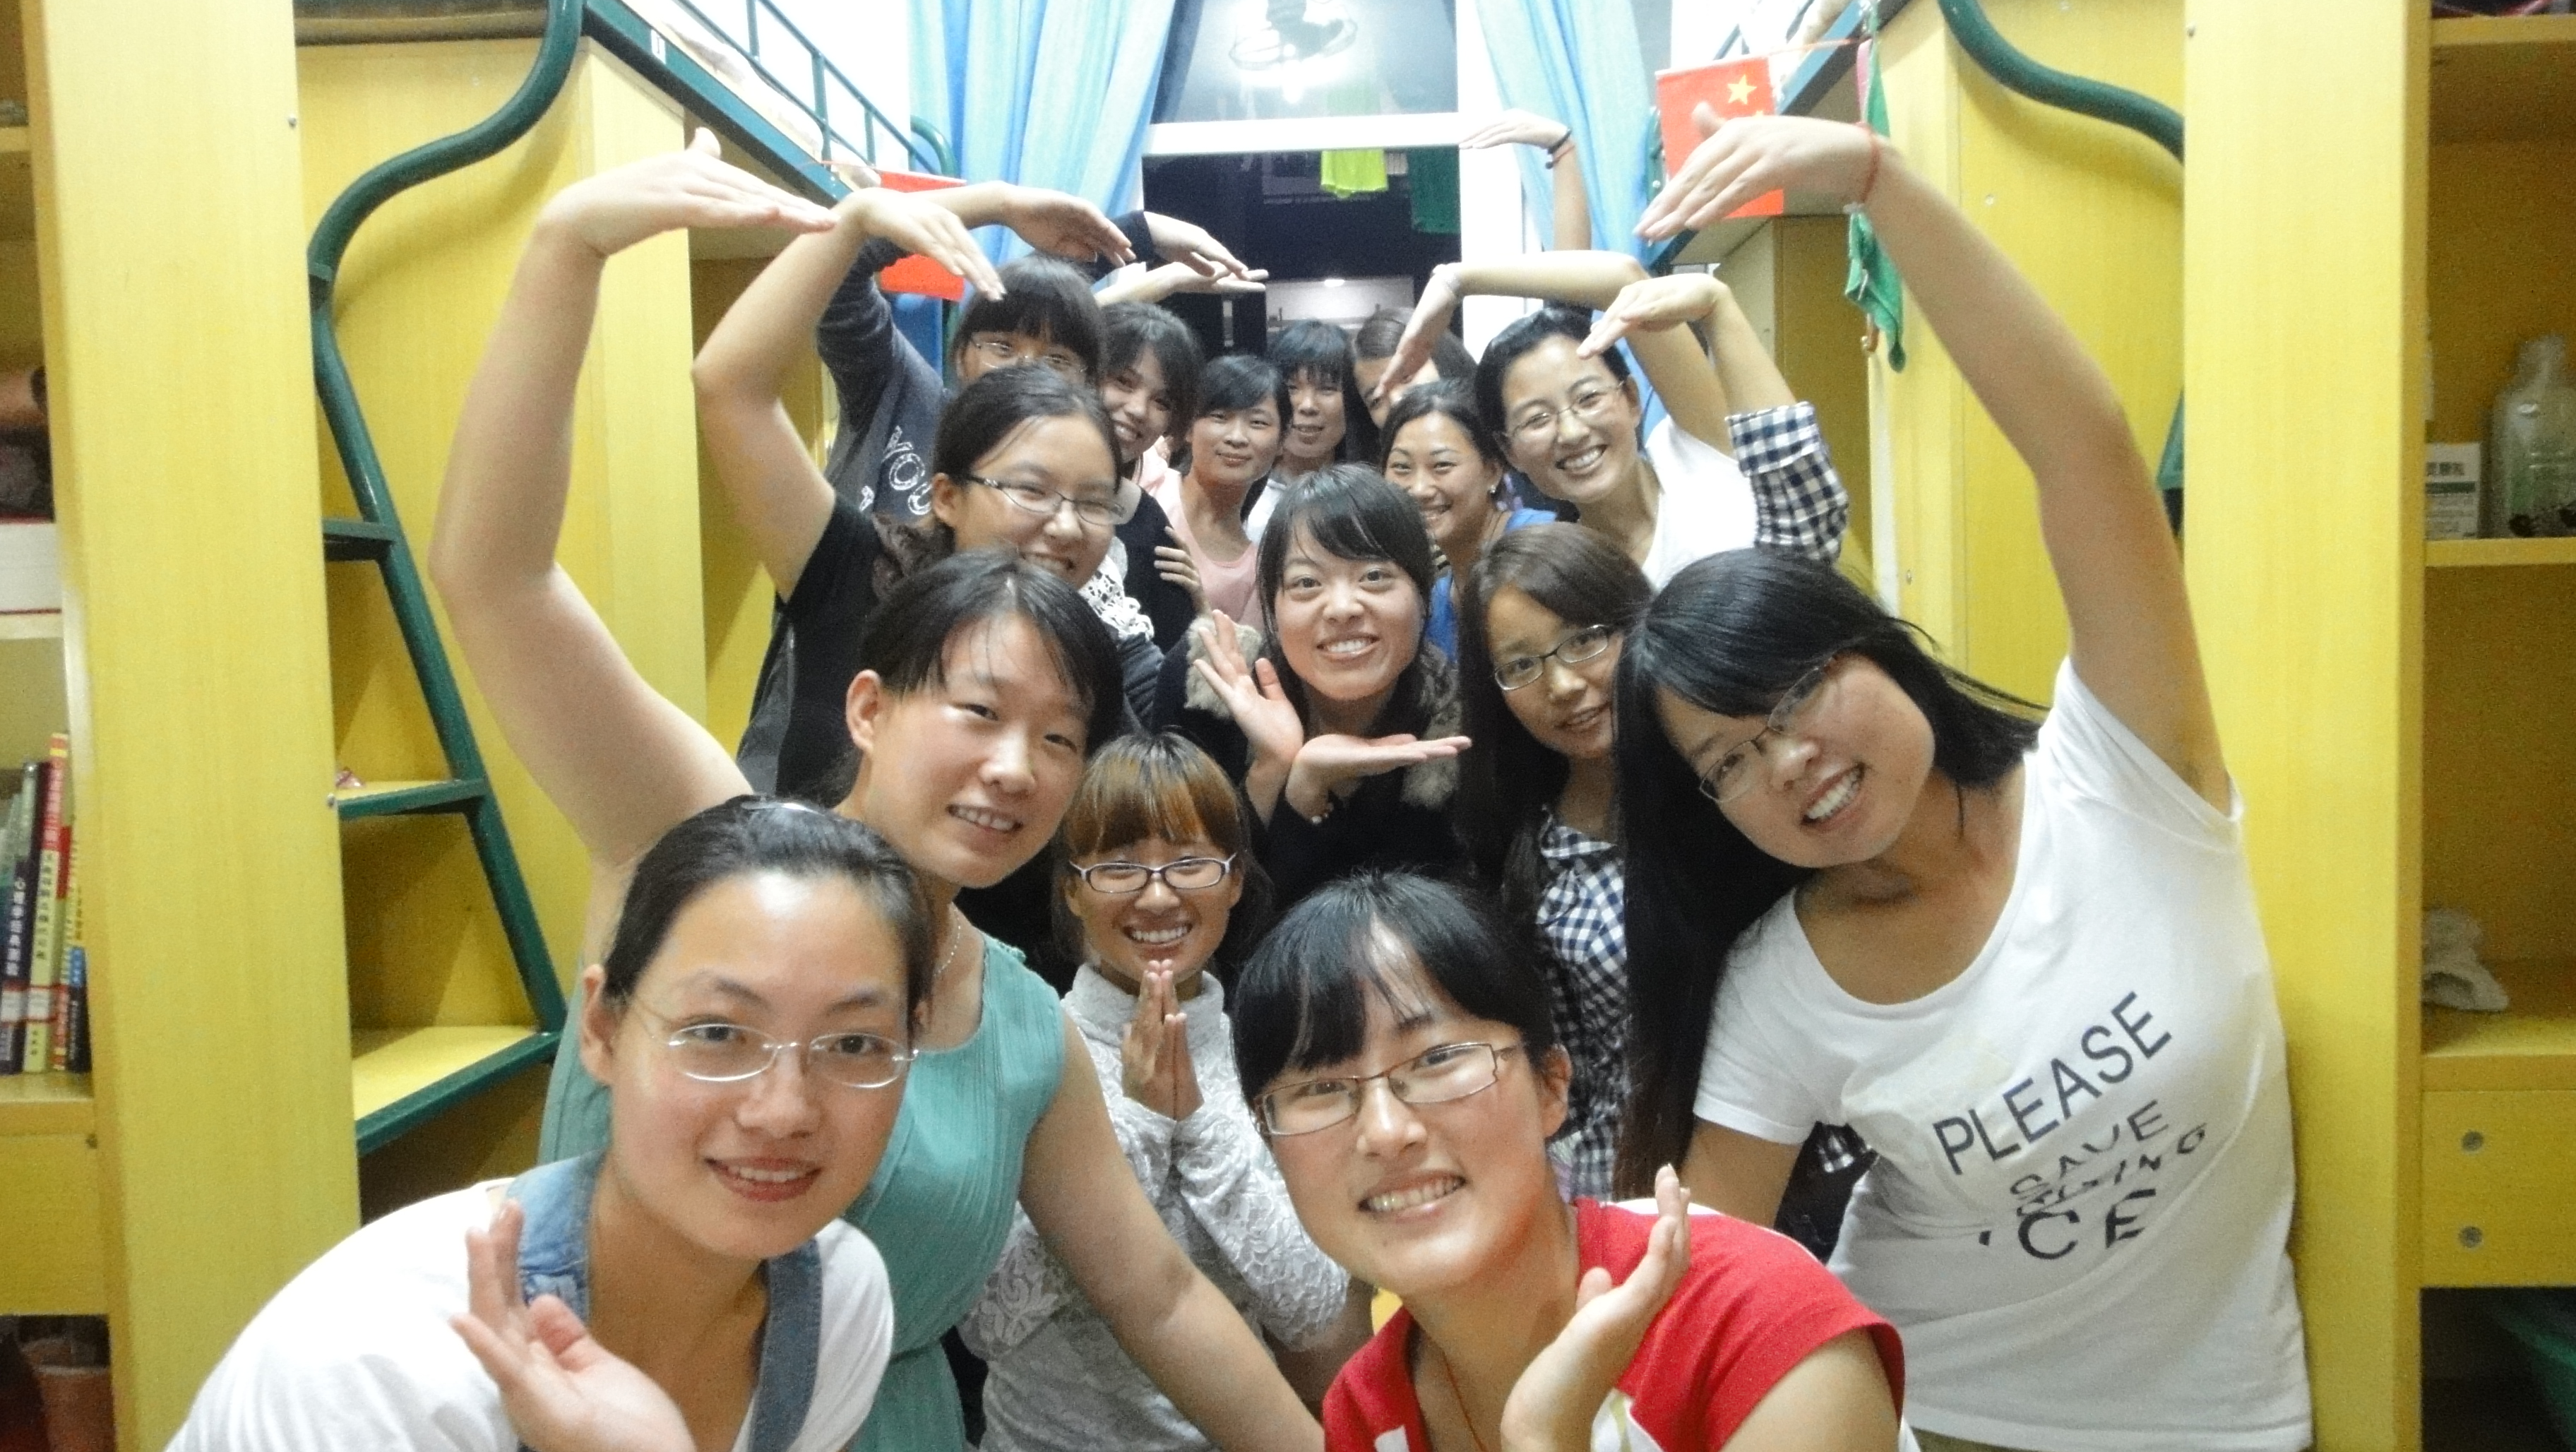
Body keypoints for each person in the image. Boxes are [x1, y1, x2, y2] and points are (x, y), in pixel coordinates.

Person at [426, 131, 1323, 1452]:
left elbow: (1158, 1294)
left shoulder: (1017, 1022)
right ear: (867, 707)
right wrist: (566, 248)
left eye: (1058, 737)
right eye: (976, 712)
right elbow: (496, 576)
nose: (1013, 767)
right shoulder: (700, 848)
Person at [1619, 114, 2311, 1451]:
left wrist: (1879, 182)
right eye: (1729, 761)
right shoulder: (1783, 980)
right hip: (1926, 1417)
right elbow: (1701, 1269)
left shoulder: (2125, 774)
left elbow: (2084, 446)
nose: (1788, 761)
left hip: (2227, 1416)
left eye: (1794, 695)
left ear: (1874, 646)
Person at [171, 799, 926, 1452]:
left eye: (854, 1044)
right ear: (601, 1029)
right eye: (717, 1032)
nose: (783, 1110)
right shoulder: (380, 1361)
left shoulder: (839, 1301)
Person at [1230, 871, 1909, 1452]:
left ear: (1552, 1086)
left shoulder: (1751, 1321)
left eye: (1438, 1059)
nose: (1385, 1132)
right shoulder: (1367, 1410)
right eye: (1320, 1090)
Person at [963, 734, 1367, 1451]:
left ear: (1234, 880)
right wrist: (1142, 1126)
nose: (1157, 895)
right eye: (1118, 867)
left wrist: (1198, 1128)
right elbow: (987, 1319)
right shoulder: (1022, 1045)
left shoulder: (1268, 1055)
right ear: (1072, 889)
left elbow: (1311, 1311)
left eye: (1190, 863)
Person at [691, 187, 1157, 797]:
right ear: (946, 496)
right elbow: (732, 382)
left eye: (1092, 502)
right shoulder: (860, 570)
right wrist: (875, 214)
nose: (1064, 524)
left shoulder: (1075, 644)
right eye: (1029, 489)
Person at [1378, 256, 1846, 588]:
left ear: (1631, 399)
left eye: (1588, 398)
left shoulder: (1695, 453)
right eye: (1537, 419)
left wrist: (1456, 279)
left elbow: (1624, 280)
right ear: (1509, 452)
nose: (1572, 432)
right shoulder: (1566, 575)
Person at [1159, 466, 1469, 910]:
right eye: (1307, 583)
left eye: (1374, 576)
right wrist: (1276, 773)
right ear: (1273, 608)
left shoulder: (1459, 729)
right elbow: (1183, 905)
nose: (1342, 608)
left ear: (1424, 597)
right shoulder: (1207, 687)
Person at [1377, 383, 1556, 660]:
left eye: (1442, 465)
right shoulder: (1435, 603)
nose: (1419, 489)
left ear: (1493, 470)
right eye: (1401, 467)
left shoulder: (1547, 543)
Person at [1099, 301, 1217, 650]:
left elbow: (1168, 662)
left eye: (1162, 402)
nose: (1138, 410)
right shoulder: (1001, 480)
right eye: (1124, 382)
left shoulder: (1147, 521)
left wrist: (1201, 610)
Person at [1154, 353, 1291, 629]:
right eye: (1220, 417)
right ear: (1188, 427)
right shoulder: (1149, 478)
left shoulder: (1257, 574)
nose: (1236, 437)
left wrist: (1201, 607)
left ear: (1282, 442)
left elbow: (1239, 653)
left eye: (1258, 422)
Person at [1269, 319, 1371, 482]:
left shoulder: (1371, 490)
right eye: (1291, 388)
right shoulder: (1242, 488)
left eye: (1327, 388)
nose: (1307, 405)